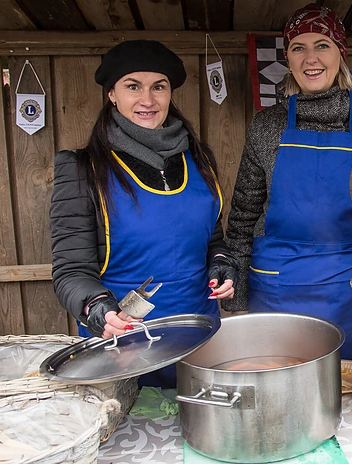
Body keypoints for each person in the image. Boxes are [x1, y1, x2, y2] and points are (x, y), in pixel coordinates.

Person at [223, 4, 352, 360]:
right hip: (278, 288)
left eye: (322, 45)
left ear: (340, 53)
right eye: (299, 47)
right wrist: (237, 299)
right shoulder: (267, 126)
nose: (310, 58)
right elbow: (242, 217)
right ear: (287, 57)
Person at [50, 40, 238, 388]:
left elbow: (212, 238)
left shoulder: (199, 159)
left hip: (199, 339)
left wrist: (222, 262)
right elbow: (71, 271)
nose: (147, 100)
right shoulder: (82, 169)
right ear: (112, 94)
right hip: (125, 349)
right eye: (133, 86)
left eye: (159, 87)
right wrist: (96, 307)